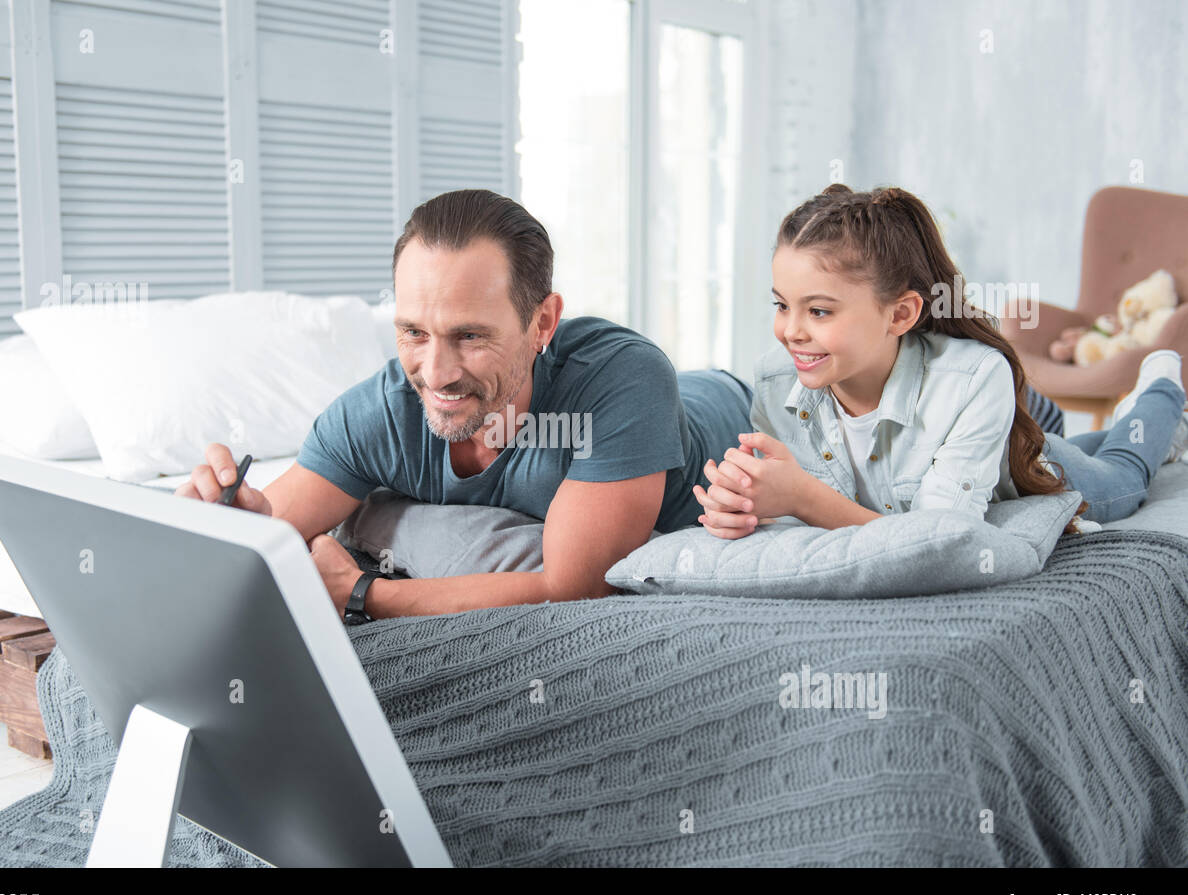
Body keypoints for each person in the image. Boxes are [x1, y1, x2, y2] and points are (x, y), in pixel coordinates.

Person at [176, 189, 754, 619]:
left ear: (542, 323)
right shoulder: (379, 414)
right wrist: (222, 526)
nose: (437, 374)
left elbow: (576, 588)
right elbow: (260, 535)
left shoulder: (621, 384)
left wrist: (366, 593)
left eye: (470, 336)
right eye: (413, 332)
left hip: (723, 403)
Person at [693, 184, 1188, 537]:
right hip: (1001, 439)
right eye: (782, 305)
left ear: (901, 314)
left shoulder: (973, 377)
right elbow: (795, 512)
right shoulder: (776, 381)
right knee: (1084, 439)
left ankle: (1160, 392)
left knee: (1125, 471)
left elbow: (940, 539)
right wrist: (743, 508)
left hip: (1035, 473)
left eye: (819, 310)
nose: (790, 331)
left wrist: (801, 497)